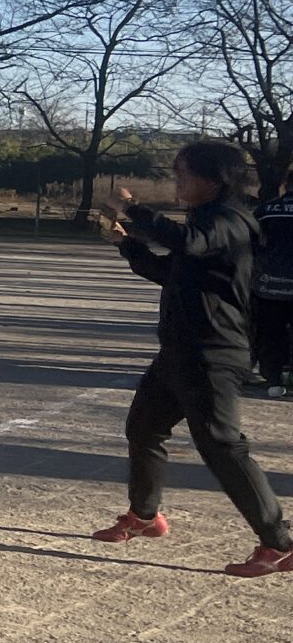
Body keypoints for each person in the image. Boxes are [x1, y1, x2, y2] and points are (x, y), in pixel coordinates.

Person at [93, 142, 293, 577]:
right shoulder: (208, 221)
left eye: (183, 173)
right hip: (179, 350)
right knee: (144, 428)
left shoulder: (229, 219)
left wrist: (133, 207)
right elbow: (171, 272)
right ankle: (145, 516)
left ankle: (279, 544)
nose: (177, 180)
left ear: (214, 179)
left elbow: (186, 242)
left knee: (223, 446)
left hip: (211, 352)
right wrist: (127, 245)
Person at [252, 168, 293, 396]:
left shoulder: (266, 210)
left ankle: (274, 378)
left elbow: (250, 242)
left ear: (286, 185)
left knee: (270, 333)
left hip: (269, 285)